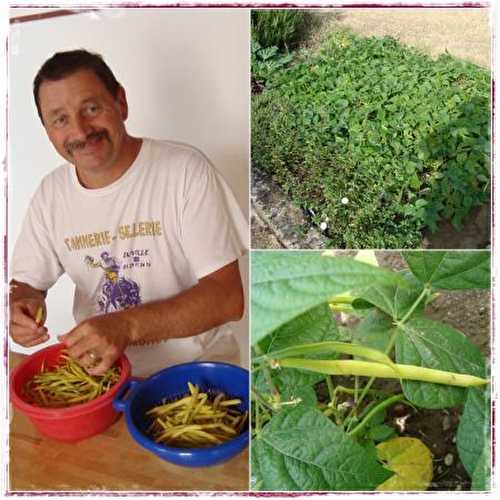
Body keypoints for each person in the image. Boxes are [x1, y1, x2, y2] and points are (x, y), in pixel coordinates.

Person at [9, 49, 248, 377]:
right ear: (48, 130)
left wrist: (126, 326)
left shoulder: (184, 171)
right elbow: (25, 285)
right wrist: (20, 305)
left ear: (120, 102)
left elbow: (227, 298)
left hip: (197, 376)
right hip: (102, 380)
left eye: (91, 108)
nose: (80, 131)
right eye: (60, 119)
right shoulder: (50, 194)